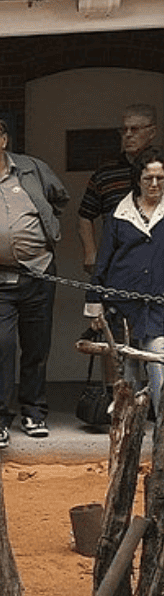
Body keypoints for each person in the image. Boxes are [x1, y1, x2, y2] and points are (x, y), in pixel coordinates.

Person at [0, 116, 69, 449]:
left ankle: (34, 412)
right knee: (0, 346)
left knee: (36, 345)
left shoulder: (32, 168)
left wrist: (47, 228)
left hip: (39, 270)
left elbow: (59, 198)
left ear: (4, 139)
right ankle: (1, 418)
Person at [88, 146, 164, 413]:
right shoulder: (119, 215)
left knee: (158, 364)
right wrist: (94, 304)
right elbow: (103, 261)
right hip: (123, 308)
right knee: (127, 372)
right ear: (138, 179)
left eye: (160, 178)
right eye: (148, 178)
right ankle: (127, 435)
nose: (154, 184)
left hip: (158, 308)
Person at [77, 104, 157, 275]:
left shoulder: (161, 170)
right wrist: (90, 252)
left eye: (134, 129)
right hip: (117, 260)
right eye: (124, 130)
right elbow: (85, 215)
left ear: (151, 133)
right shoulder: (105, 173)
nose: (128, 135)